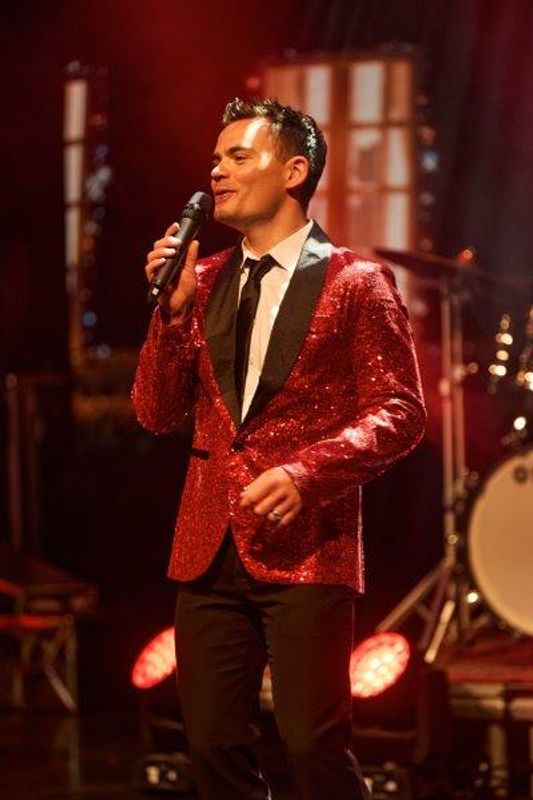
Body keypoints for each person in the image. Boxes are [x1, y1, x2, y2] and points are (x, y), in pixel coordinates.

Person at [132, 97, 426, 800]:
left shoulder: (355, 282)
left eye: (238, 156)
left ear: (294, 171)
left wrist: (309, 470)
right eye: (215, 158)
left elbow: (400, 411)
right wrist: (169, 320)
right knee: (210, 746)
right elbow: (153, 412)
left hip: (306, 550)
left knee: (312, 746)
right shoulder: (199, 284)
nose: (216, 172)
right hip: (207, 548)